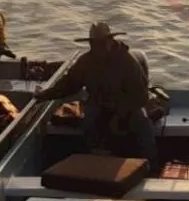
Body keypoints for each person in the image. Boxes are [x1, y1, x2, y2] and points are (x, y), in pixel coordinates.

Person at [33, 22, 156, 169]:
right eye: (95, 44)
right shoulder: (86, 62)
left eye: (103, 43)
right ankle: (92, 161)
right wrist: (44, 95)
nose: (99, 47)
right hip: (98, 103)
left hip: (128, 105)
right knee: (88, 120)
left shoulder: (128, 62)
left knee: (143, 124)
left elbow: (140, 96)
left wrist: (120, 113)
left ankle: (149, 164)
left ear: (110, 41)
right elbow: (68, 85)